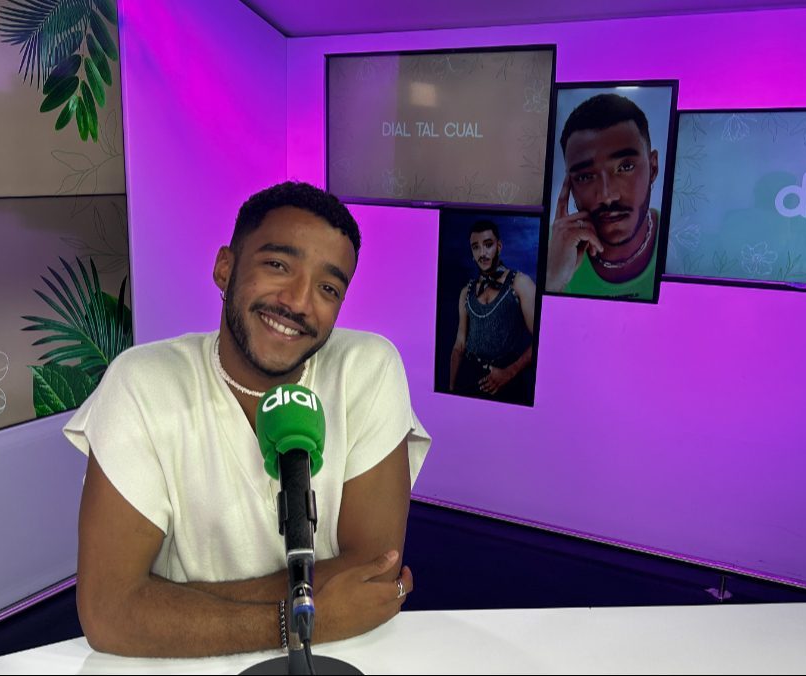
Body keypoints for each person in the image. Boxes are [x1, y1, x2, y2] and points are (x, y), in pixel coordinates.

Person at [64, 181, 431, 657]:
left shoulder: (367, 368)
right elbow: (110, 612)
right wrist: (299, 619)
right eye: (278, 265)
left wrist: (169, 604)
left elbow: (374, 578)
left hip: (337, 659)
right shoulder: (142, 383)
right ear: (225, 268)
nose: (298, 302)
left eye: (328, 288)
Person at [546, 93, 662, 300]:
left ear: (653, 168)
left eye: (625, 167)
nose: (607, 196)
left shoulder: (677, 241)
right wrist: (552, 281)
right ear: (570, 186)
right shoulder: (548, 249)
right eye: (585, 177)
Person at [448, 219, 536, 403]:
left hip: (508, 382)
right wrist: (450, 391)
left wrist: (509, 372)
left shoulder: (520, 283)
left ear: (499, 246)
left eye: (488, 245)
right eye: (476, 247)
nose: (482, 253)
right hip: (469, 380)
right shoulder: (466, 291)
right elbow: (459, 346)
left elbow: (541, 340)